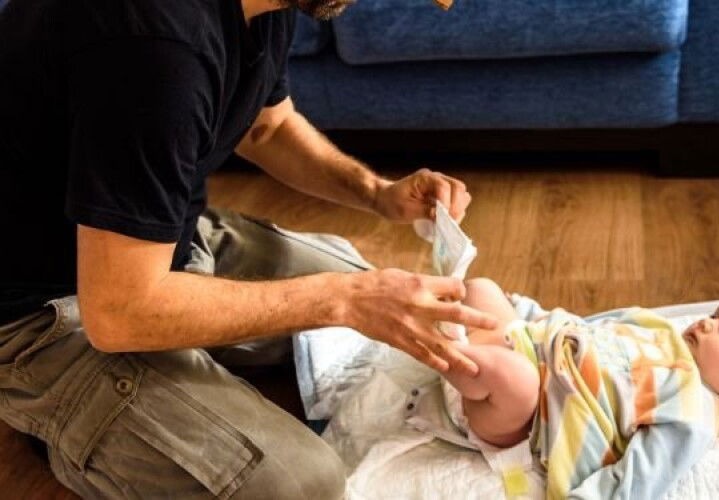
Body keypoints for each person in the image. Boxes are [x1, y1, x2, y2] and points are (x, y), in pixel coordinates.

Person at [0, 0, 495, 497]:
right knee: (304, 485)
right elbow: (118, 312)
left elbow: (267, 128)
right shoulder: (152, 44)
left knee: (378, 308)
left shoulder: (268, 5)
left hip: (151, 246)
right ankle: (59, 420)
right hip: (40, 314)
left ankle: (177, 365)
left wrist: (376, 193)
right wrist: (342, 299)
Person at [440, 278, 719, 499]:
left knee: (512, 377)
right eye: (715, 314)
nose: (707, 323)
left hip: (525, 415)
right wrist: (526, 314)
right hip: (527, 345)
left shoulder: (695, 410)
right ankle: (464, 347)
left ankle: (445, 353)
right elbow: (582, 327)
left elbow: (639, 478)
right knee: (480, 289)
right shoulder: (659, 331)